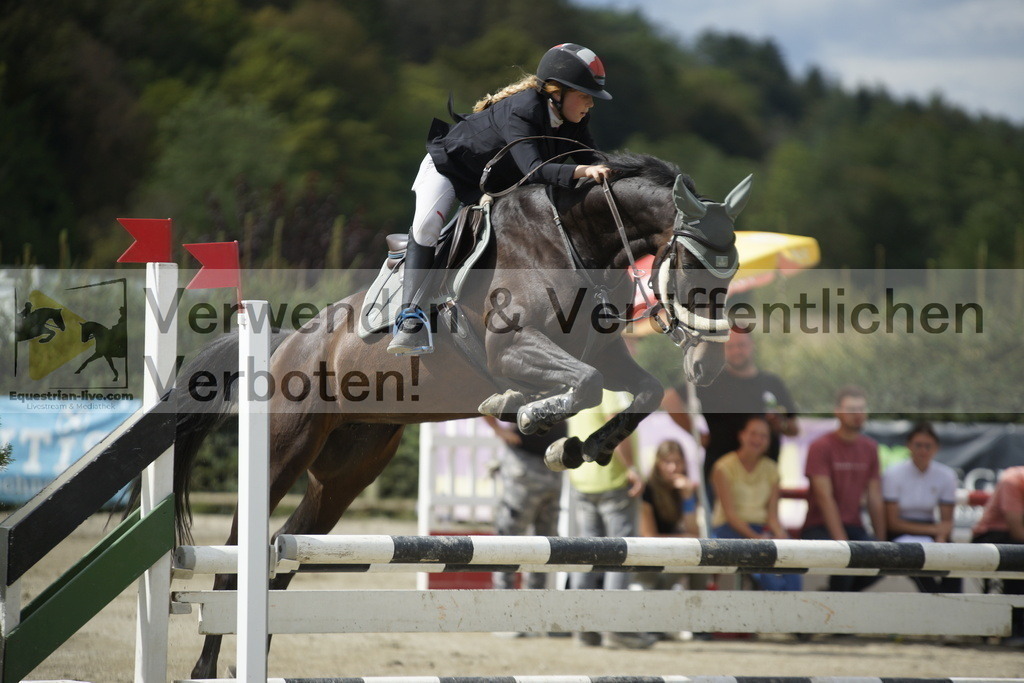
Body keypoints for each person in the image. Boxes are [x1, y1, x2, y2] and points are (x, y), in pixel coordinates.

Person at [389, 43, 613, 356]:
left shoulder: (575, 121)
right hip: (450, 170)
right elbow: (534, 171)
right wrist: (583, 170)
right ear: (556, 92)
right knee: (427, 226)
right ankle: (409, 314)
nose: (590, 104)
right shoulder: (523, 110)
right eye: (585, 95)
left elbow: (596, 161)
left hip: (493, 184)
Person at [663, 329, 799, 507]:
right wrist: (697, 434)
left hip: (762, 480)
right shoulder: (711, 380)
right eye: (731, 346)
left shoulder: (771, 382)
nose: (737, 351)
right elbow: (670, 399)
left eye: (741, 345)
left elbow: (794, 429)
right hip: (720, 477)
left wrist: (779, 423)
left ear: (752, 346)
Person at [567, 389, 655, 650]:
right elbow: (615, 422)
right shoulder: (613, 387)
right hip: (613, 479)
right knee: (621, 554)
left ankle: (584, 629)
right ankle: (616, 628)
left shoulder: (580, 384)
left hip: (583, 480)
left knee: (587, 554)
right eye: (634, 343)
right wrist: (631, 468)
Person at [801, 385, 886, 592]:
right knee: (847, 563)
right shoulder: (820, 446)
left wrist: (883, 543)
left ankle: (833, 600)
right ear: (837, 411)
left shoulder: (870, 448)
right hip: (819, 526)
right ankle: (836, 606)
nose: (857, 415)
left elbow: (875, 497)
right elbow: (824, 497)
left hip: (854, 526)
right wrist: (842, 544)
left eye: (861, 409)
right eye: (851, 409)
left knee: (886, 563)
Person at [711, 415, 801, 592]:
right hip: (729, 531)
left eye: (763, 435)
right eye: (753, 433)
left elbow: (773, 516)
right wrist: (757, 539)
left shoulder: (771, 469)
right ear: (742, 435)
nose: (758, 439)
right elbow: (730, 515)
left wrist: (782, 537)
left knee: (793, 562)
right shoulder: (724, 467)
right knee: (764, 570)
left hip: (762, 530)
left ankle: (793, 608)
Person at [482, 415, 565, 593]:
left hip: (553, 467)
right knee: (509, 541)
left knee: (545, 544)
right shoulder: (524, 385)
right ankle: (502, 604)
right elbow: (481, 398)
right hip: (524, 464)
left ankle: (535, 604)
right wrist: (499, 430)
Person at [881, 422, 961, 593]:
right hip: (901, 532)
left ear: (936, 448)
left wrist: (941, 535)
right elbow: (892, 523)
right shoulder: (893, 473)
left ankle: (953, 603)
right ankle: (936, 604)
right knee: (916, 562)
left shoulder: (946, 475)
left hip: (930, 529)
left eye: (928, 446)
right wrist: (934, 530)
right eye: (918, 445)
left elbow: (947, 522)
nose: (923, 451)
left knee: (955, 561)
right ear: (908, 446)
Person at [637, 440, 700, 591]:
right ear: (658, 463)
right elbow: (649, 536)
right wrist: (684, 539)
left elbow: (694, 532)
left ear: (684, 463)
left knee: (700, 561)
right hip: (648, 555)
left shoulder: (685, 488)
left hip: (673, 552)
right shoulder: (647, 489)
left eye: (677, 462)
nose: (673, 468)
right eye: (667, 462)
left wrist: (687, 498)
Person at [971, 466, 1024, 645]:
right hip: (991, 536)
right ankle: (1016, 628)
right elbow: (1016, 531)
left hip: (1013, 538)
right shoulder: (1012, 480)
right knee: (1018, 558)